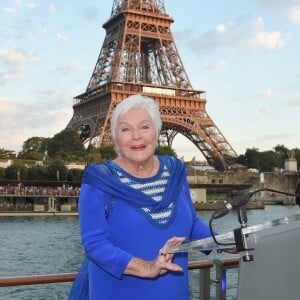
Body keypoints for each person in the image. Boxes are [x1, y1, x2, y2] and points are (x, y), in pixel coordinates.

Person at [69, 94, 213, 300]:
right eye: (126, 129)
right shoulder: (99, 179)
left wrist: (224, 242)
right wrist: (146, 267)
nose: (136, 136)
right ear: (115, 139)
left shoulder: (175, 171)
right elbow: (94, 243)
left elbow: (191, 226)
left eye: (145, 127)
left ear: (157, 133)